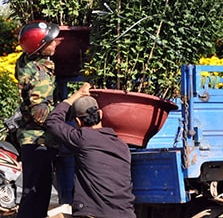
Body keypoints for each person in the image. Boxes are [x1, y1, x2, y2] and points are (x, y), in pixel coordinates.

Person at [45, 82, 136, 218]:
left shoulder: (83, 139)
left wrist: (76, 95)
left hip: (95, 214)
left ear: (77, 122)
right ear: (100, 114)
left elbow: (52, 121)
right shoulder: (122, 146)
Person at [15, 20, 60, 218]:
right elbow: (40, 114)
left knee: (34, 195)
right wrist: (63, 122)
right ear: (41, 48)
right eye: (51, 41)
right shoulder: (40, 76)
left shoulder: (27, 61)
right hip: (38, 141)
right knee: (36, 197)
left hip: (31, 140)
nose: (56, 43)